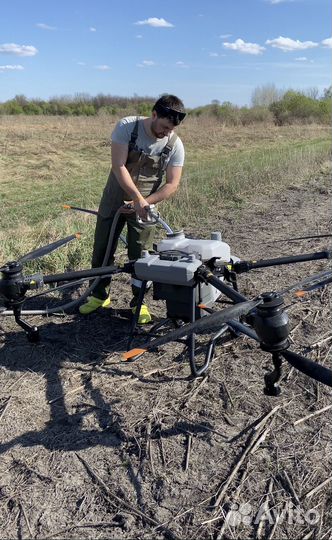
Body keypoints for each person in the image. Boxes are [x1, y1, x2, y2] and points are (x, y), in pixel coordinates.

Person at [79, 94, 186, 323]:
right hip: (114, 197)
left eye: (171, 129)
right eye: (164, 127)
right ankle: (98, 295)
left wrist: (145, 202)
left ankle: (139, 302)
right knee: (102, 248)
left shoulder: (174, 144)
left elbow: (172, 184)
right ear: (154, 114)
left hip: (146, 205)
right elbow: (118, 166)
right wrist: (137, 198)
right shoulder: (127, 127)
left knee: (142, 255)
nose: (166, 133)